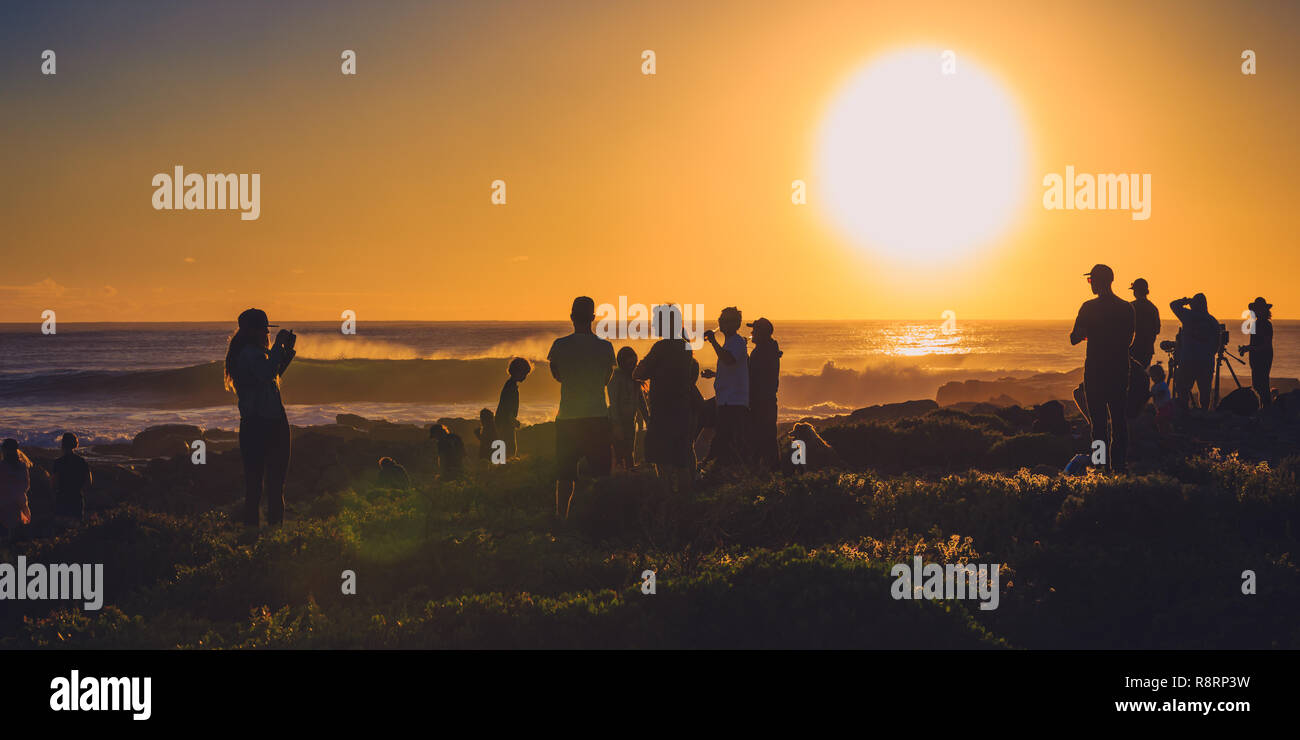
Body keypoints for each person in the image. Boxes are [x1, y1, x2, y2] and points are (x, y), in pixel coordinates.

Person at [224, 308, 295, 527]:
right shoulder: (250, 354)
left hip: (253, 425)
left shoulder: (246, 353)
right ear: (255, 331)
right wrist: (277, 347)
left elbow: (269, 378)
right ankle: (272, 535)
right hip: (269, 423)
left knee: (255, 486)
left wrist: (284, 354)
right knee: (273, 486)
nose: (267, 334)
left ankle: (252, 535)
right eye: (265, 329)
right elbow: (266, 374)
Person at [546, 297, 615, 519]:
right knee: (602, 473)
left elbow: (557, 375)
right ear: (594, 318)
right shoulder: (605, 347)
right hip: (597, 416)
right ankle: (602, 518)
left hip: (568, 417)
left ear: (572, 316)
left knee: (565, 474)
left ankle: (561, 518)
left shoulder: (559, 346)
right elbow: (607, 377)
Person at [1069, 265, 1134, 472]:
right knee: (1119, 421)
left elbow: (1074, 338)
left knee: (1098, 425)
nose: (1090, 284)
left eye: (1091, 280)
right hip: (1119, 370)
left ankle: (1099, 466)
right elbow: (1129, 341)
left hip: (1096, 372)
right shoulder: (1126, 308)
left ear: (1097, 281)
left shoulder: (1089, 307)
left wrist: (1090, 332)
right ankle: (1119, 466)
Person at [633, 304, 700, 490]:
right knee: (681, 462)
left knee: (661, 461)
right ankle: (685, 501)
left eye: (656, 320)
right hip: (682, 409)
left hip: (662, 411)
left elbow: (639, 372)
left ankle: (667, 500)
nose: (654, 324)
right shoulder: (685, 347)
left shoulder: (661, 347)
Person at [701, 306, 749, 467]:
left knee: (726, 439)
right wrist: (715, 374)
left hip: (733, 401)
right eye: (720, 319)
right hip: (726, 400)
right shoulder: (731, 342)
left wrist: (713, 342)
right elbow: (733, 368)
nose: (720, 322)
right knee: (724, 438)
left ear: (733, 323)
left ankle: (714, 469)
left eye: (723, 320)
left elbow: (729, 360)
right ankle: (715, 467)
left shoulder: (737, 341)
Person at [1169, 293, 1219, 411]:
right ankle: (1204, 412)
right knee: (1205, 390)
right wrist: (1209, 354)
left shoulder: (1188, 316)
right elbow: (1218, 343)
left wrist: (1186, 300)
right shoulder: (1213, 321)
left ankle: (1183, 412)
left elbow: (1173, 305)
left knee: (1182, 389)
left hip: (1188, 361)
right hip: (1206, 361)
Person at [747, 317, 782, 471]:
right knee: (766, 438)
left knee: (763, 438)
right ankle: (769, 471)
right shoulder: (768, 349)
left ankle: (769, 472)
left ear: (762, 333)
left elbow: (752, 373)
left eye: (755, 330)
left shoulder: (763, 351)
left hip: (762, 401)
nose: (752, 332)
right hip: (764, 400)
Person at [607, 346, 649, 471]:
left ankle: (629, 477)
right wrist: (617, 425)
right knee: (619, 454)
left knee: (629, 451)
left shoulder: (634, 377)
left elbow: (641, 402)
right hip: (616, 421)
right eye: (630, 362)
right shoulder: (615, 377)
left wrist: (648, 419)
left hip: (630, 421)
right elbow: (614, 403)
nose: (633, 365)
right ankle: (621, 479)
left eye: (634, 362)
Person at [1127, 278, 1161, 418]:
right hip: (1147, 349)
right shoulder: (1152, 308)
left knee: (1129, 380)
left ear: (1135, 291)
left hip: (1131, 350)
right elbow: (1157, 329)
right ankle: (1141, 408)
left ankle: (1130, 409)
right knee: (1143, 379)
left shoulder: (1130, 307)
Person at [1239, 297, 1274, 407]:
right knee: (1258, 385)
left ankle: (1267, 408)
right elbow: (1256, 344)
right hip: (1257, 359)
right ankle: (1264, 408)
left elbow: (1265, 344)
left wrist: (1249, 349)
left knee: (1261, 385)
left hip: (1263, 358)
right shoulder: (1258, 323)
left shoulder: (1265, 324)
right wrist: (1247, 348)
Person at [50, 432, 92, 520]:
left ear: (63, 444)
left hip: (62, 498)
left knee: (61, 530)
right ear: (75, 444)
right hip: (77, 498)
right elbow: (89, 482)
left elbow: (54, 484)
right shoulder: (82, 461)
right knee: (76, 529)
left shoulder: (58, 462)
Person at [495, 357, 531, 458]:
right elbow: (507, 406)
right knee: (509, 448)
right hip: (505, 421)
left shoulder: (510, 384)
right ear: (517, 372)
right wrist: (513, 419)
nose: (525, 377)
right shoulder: (511, 387)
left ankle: (500, 467)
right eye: (524, 373)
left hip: (502, 420)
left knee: (504, 448)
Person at [0, 439, 33, 538]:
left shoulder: (1, 466)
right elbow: (26, 486)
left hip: (3, 507)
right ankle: (21, 554)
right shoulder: (22, 466)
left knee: (4, 541)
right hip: (19, 506)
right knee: (19, 542)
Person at [1148, 362, 1174, 432]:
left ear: (1160, 375)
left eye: (1154, 376)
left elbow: (1162, 392)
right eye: (1151, 376)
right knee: (1160, 422)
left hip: (1166, 407)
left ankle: (1167, 433)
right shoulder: (1154, 386)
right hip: (1160, 408)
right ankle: (1163, 433)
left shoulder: (1162, 384)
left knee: (1162, 421)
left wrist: (1153, 394)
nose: (1152, 378)